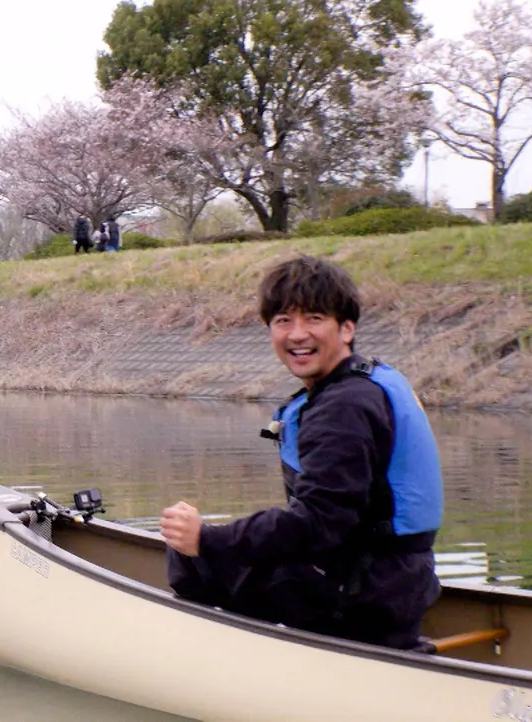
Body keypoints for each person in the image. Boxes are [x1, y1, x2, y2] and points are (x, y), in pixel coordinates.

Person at [158, 255, 444, 651]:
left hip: (365, 598)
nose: (297, 334)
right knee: (227, 546)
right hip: (399, 580)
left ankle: (208, 659)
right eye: (283, 321)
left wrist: (207, 540)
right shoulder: (367, 382)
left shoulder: (343, 407)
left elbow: (318, 525)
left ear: (347, 328)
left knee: (191, 554)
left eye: (313, 318)